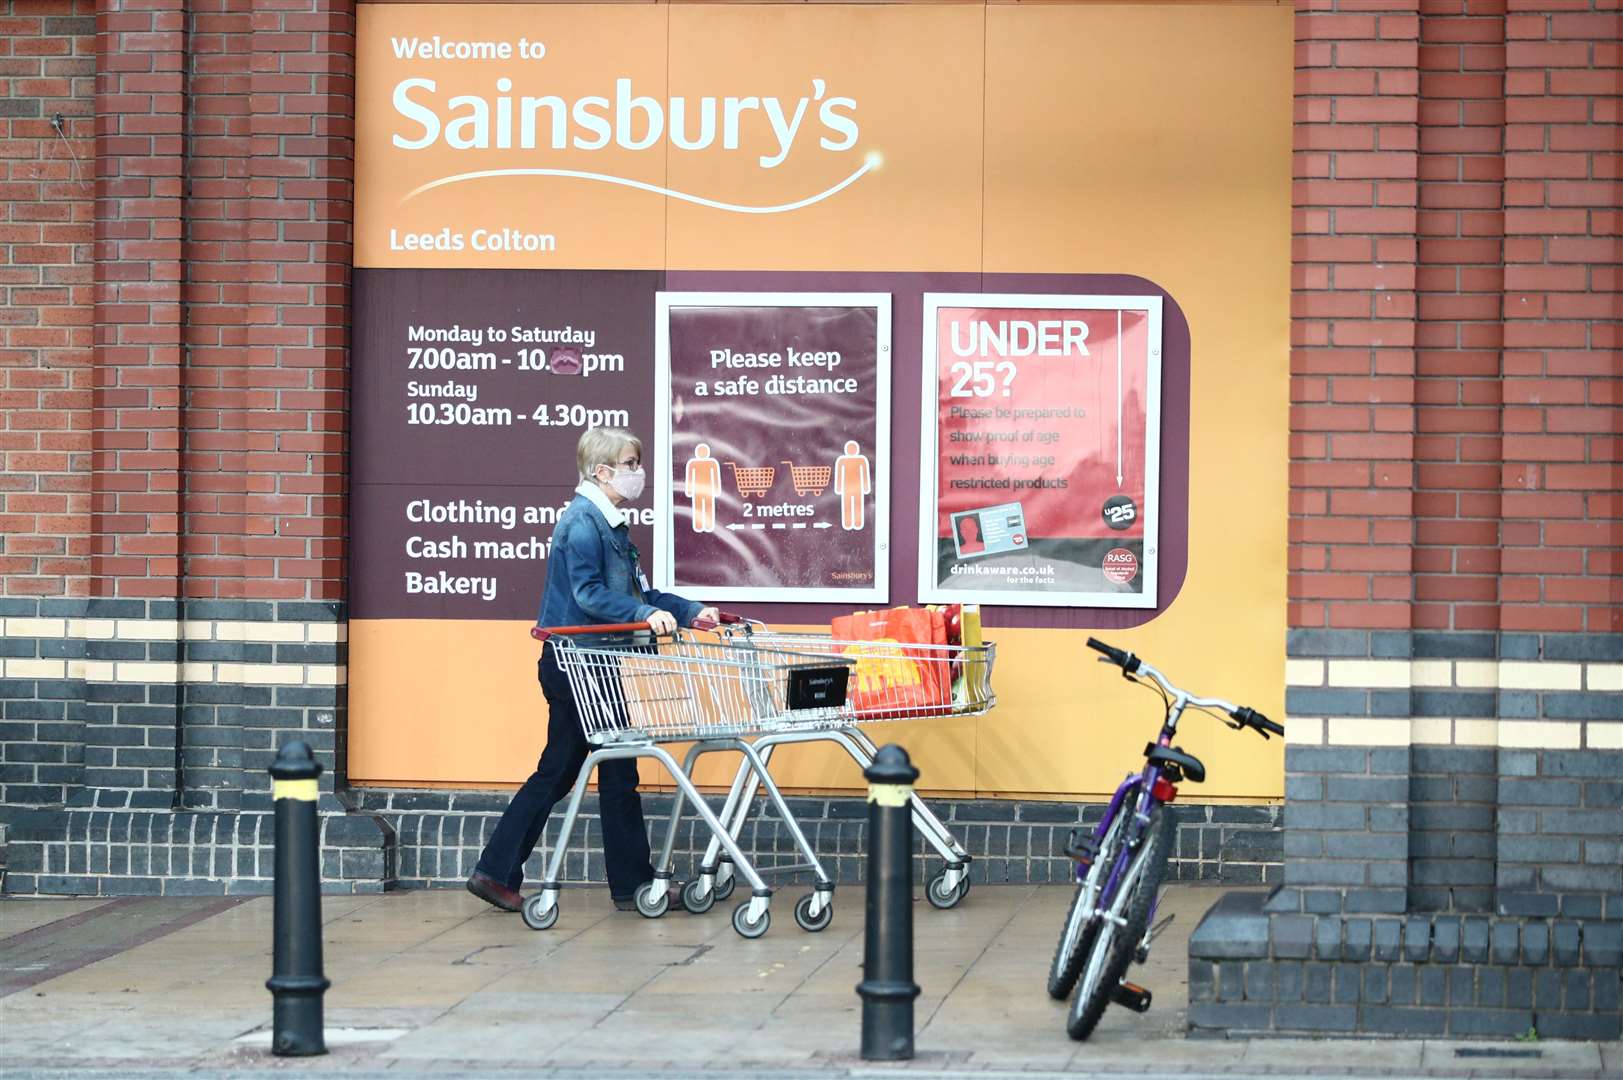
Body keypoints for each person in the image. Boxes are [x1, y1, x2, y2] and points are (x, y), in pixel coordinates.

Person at [467, 427, 717, 914]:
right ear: (601, 471)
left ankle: (505, 872)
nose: (636, 472)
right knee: (592, 773)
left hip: (590, 665)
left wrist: (690, 611)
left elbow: (638, 593)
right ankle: (625, 884)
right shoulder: (583, 523)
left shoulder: (608, 524)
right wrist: (644, 616)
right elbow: (589, 595)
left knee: (584, 772)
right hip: (578, 665)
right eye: (629, 463)